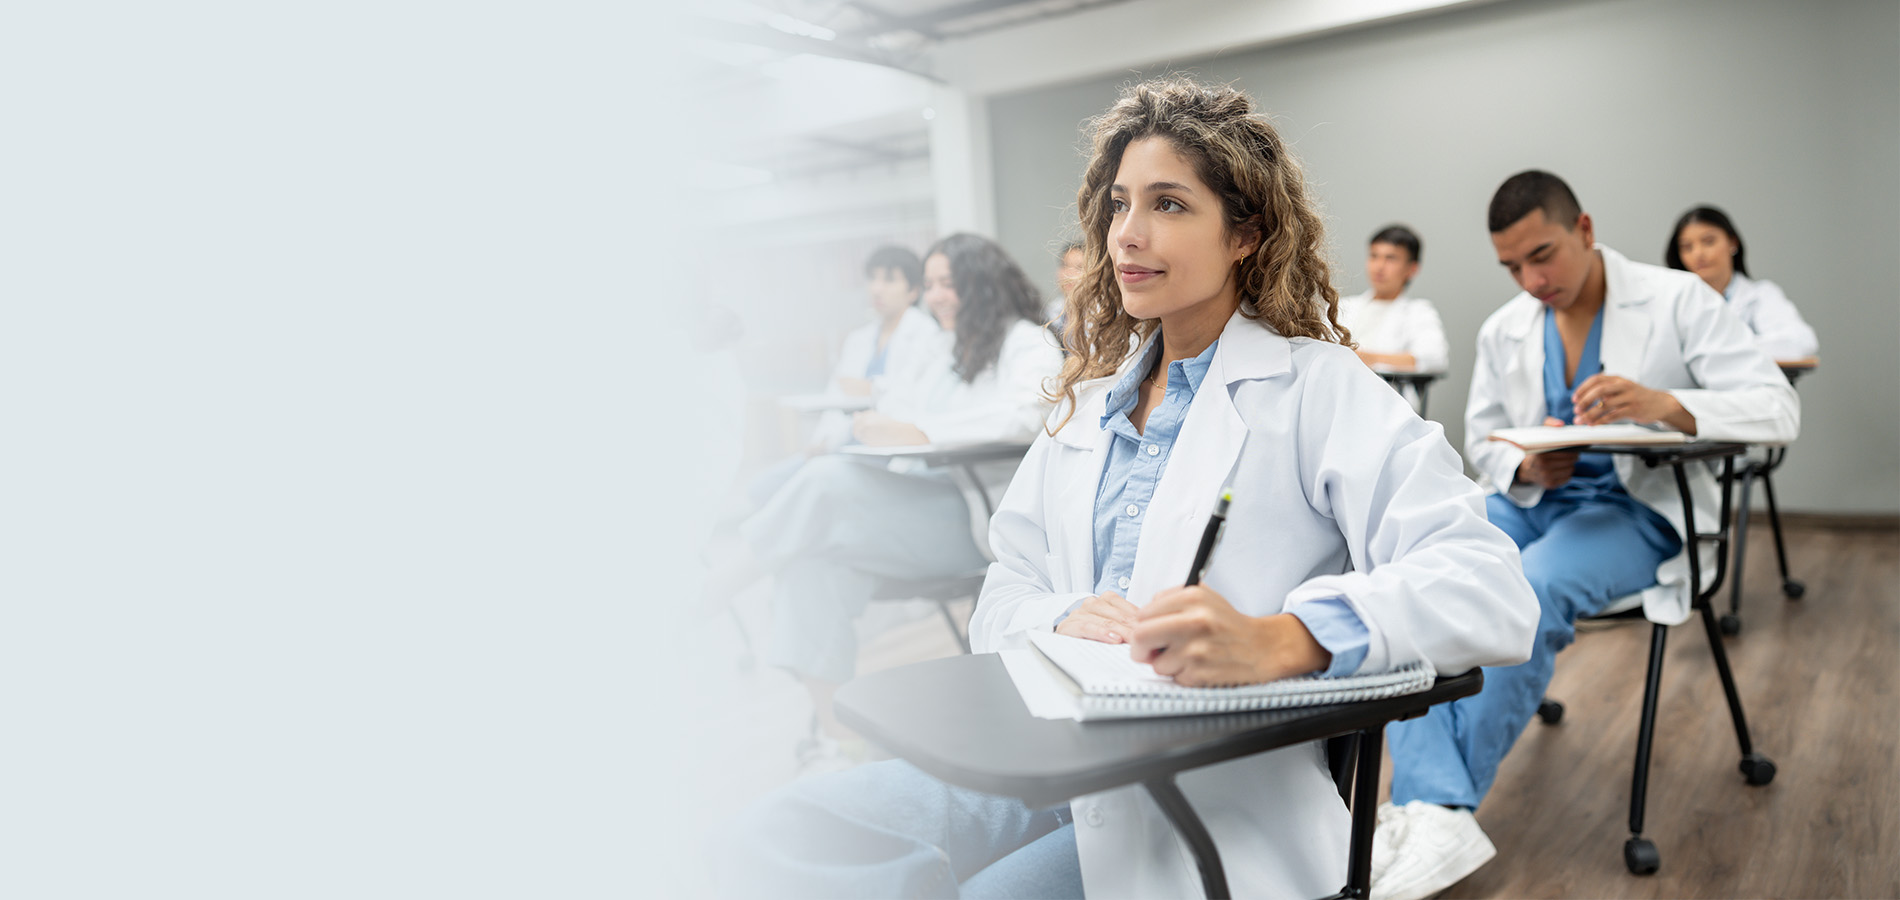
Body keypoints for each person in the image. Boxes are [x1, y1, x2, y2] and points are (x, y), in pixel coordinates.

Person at [719, 76, 1538, 900]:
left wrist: (1288, 638)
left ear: (1246, 232)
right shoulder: (1088, 400)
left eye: (1170, 205)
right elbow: (1004, 591)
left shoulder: (1315, 388)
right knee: (777, 834)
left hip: (1201, 799)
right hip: (1053, 758)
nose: (1128, 236)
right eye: (1118, 205)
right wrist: (1058, 615)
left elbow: (1489, 583)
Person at [1372, 172, 1801, 900]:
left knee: (1529, 590)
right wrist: (1528, 462)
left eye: (1543, 255)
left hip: (1641, 513)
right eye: (1512, 267)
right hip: (1541, 500)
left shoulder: (1678, 299)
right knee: (1423, 573)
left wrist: (1669, 405)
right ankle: (1423, 805)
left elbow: (1777, 409)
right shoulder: (1506, 326)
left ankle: (1436, 812)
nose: (1532, 280)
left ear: (1586, 230)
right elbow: (1484, 439)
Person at [735, 232, 1062, 764]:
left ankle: (720, 586)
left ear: (982, 284)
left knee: (825, 484)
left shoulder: (1026, 342)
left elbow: (1030, 415)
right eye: (929, 284)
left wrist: (916, 429)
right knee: (809, 567)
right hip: (912, 508)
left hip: (968, 519)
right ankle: (842, 744)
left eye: (947, 283)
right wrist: (877, 424)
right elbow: (897, 405)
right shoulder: (946, 348)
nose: (934, 296)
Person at [1666, 205, 1819, 360]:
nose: (1698, 253)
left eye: (1708, 241)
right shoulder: (1674, 303)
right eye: (1687, 247)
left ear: (1732, 242)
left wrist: (1721, 349)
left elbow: (1799, 342)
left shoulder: (1761, 295)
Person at [1336, 225, 1450, 372]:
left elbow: (1434, 358)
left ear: (1412, 269)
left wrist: (1368, 359)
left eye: (1390, 258)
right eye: (1374, 256)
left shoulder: (1419, 312)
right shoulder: (1343, 306)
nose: (1379, 266)